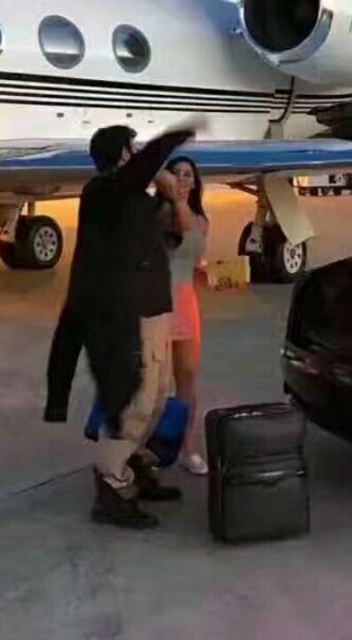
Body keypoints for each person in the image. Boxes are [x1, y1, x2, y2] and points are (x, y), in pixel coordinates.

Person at [44, 121, 201, 530]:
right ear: (121, 156)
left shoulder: (134, 199)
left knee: (159, 397)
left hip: (156, 308)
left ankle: (133, 466)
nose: (137, 155)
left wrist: (172, 194)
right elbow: (141, 171)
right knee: (137, 403)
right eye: (131, 149)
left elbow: (178, 232)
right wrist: (175, 138)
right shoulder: (102, 193)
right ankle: (111, 488)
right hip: (130, 313)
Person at [160, 156, 210, 475]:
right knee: (151, 380)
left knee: (187, 376)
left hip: (185, 299)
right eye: (176, 173)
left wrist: (212, 274)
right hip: (156, 300)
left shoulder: (202, 220)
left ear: (195, 182)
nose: (181, 178)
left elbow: (195, 262)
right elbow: (181, 229)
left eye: (187, 174)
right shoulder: (160, 214)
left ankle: (187, 448)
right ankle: (142, 447)